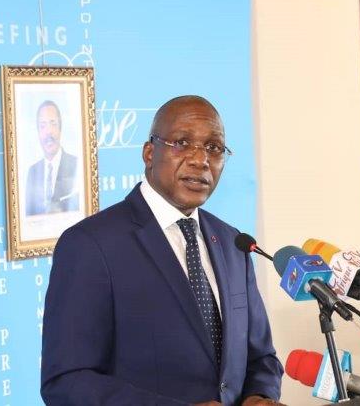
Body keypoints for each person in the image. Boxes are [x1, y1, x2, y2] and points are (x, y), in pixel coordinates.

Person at [41, 96, 284, 405]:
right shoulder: (90, 245)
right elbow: (66, 382)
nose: (201, 160)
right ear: (149, 153)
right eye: (182, 143)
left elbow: (261, 358)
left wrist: (258, 396)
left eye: (214, 147)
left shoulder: (233, 243)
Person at [25, 100, 79, 216]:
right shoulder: (33, 172)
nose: (48, 132)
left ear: (60, 128)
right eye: (42, 126)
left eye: (53, 124)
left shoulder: (77, 165)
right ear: (38, 133)